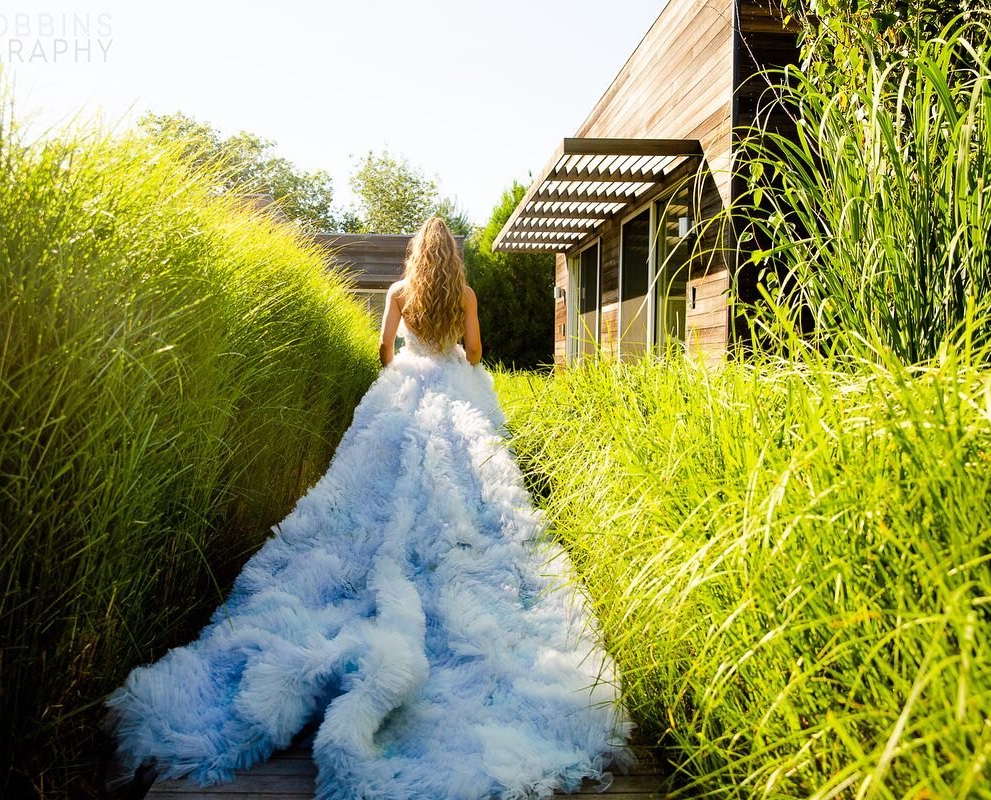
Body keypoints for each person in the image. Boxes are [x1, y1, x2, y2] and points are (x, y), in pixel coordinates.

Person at [102, 215, 634, 799]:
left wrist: (410, 360)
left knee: (360, 495)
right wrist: (451, 348)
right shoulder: (464, 293)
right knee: (468, 491)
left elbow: (385, 353)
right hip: (456, 394)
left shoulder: (399, 293)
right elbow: (477, 355)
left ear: (415, 255)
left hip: (401, 394)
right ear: (452, 258)